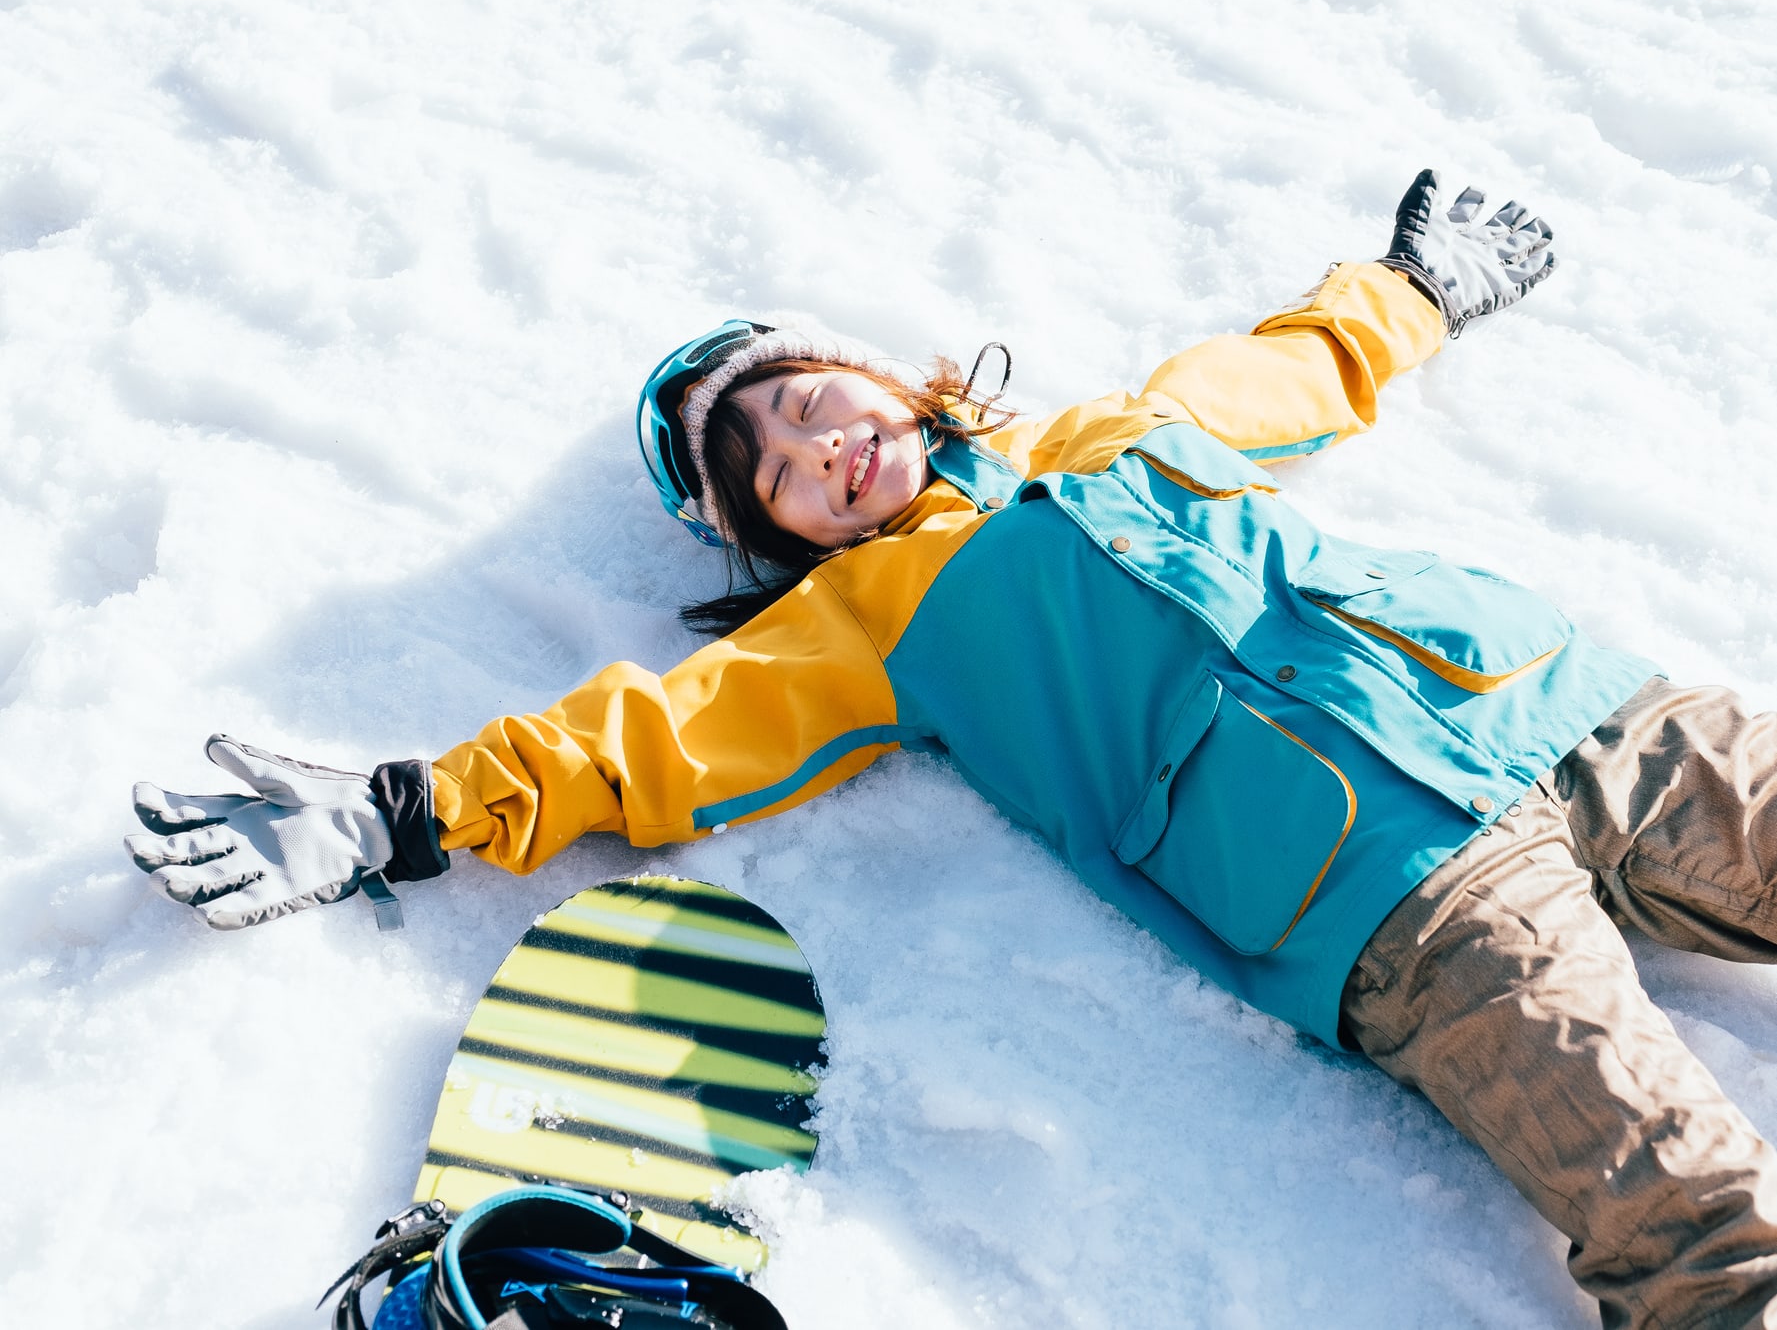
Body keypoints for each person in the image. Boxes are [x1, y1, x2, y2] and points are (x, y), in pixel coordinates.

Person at [126, 170, 1777, 1328]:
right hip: (1399, 900)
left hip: (1569, 707)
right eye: (764, 463)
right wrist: (403, 809)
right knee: (1701, 1231)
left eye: (808, 396)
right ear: (772, 537)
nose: (813, 442)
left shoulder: (1116, 428)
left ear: (879, 378)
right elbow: (643, 734)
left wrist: (1410, 292)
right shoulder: (860, 627)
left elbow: (1293, 368)